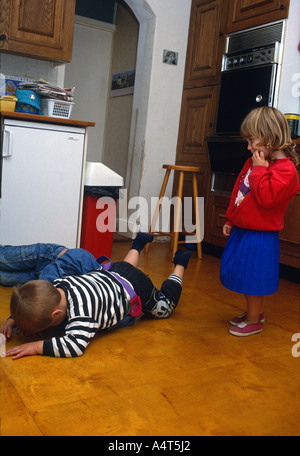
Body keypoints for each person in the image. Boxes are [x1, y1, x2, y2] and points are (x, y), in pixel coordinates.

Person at [1, 234, 192, 359]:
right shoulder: (57, 286)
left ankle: (180, 264)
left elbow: (74, 345)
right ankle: (137, 243)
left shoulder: (84, 313)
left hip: (137, 287)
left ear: (55, 315)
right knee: (127, 267)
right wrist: (14, 319)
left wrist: (35, 347)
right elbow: (33, 300)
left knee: (165, 306)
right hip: (113, 271)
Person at [220, 107, 300, 337]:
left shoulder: (285, 171)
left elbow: (266, 198)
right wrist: (230, 218)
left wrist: (259, 170)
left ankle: (254, 320)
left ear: (271, 138)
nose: (248, 147)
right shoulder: (256, 161)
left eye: (252, 140)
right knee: (243, 273)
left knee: (253, 277)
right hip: (244, 229)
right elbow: (240, 191)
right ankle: (253, 312)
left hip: (261, 235)